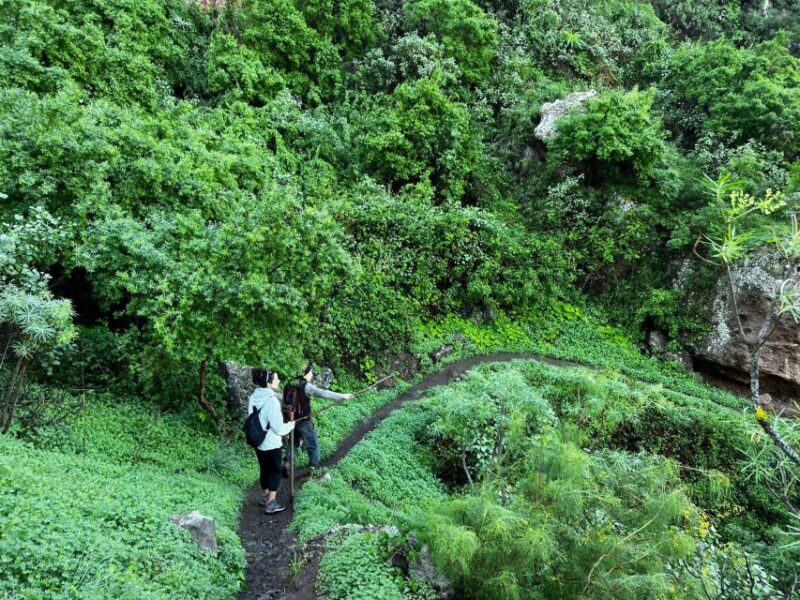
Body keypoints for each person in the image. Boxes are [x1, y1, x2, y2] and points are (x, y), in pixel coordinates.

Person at [283, 364, 353, 473]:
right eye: (311, 372)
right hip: (304, 421)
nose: (312, 374)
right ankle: (313, 469)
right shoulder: (306, 386)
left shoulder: (289, 384)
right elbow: (323, 393)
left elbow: (285, 404)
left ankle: (287, 462)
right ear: (306, 373)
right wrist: (342, 396)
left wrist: (286, 421)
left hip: (291, 421)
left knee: (293, 443)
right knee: (312, 444)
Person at [247, 368, 295, 514]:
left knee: (264, 469)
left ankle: (264, 496)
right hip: (271, 443)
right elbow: (278, 428)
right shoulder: (272, 401)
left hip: (258, 440)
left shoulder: (254, 397)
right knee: (275, 471)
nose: (278, 381)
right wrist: (291, 425)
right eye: (276, 379)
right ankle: (271, 502)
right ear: (269, 383)